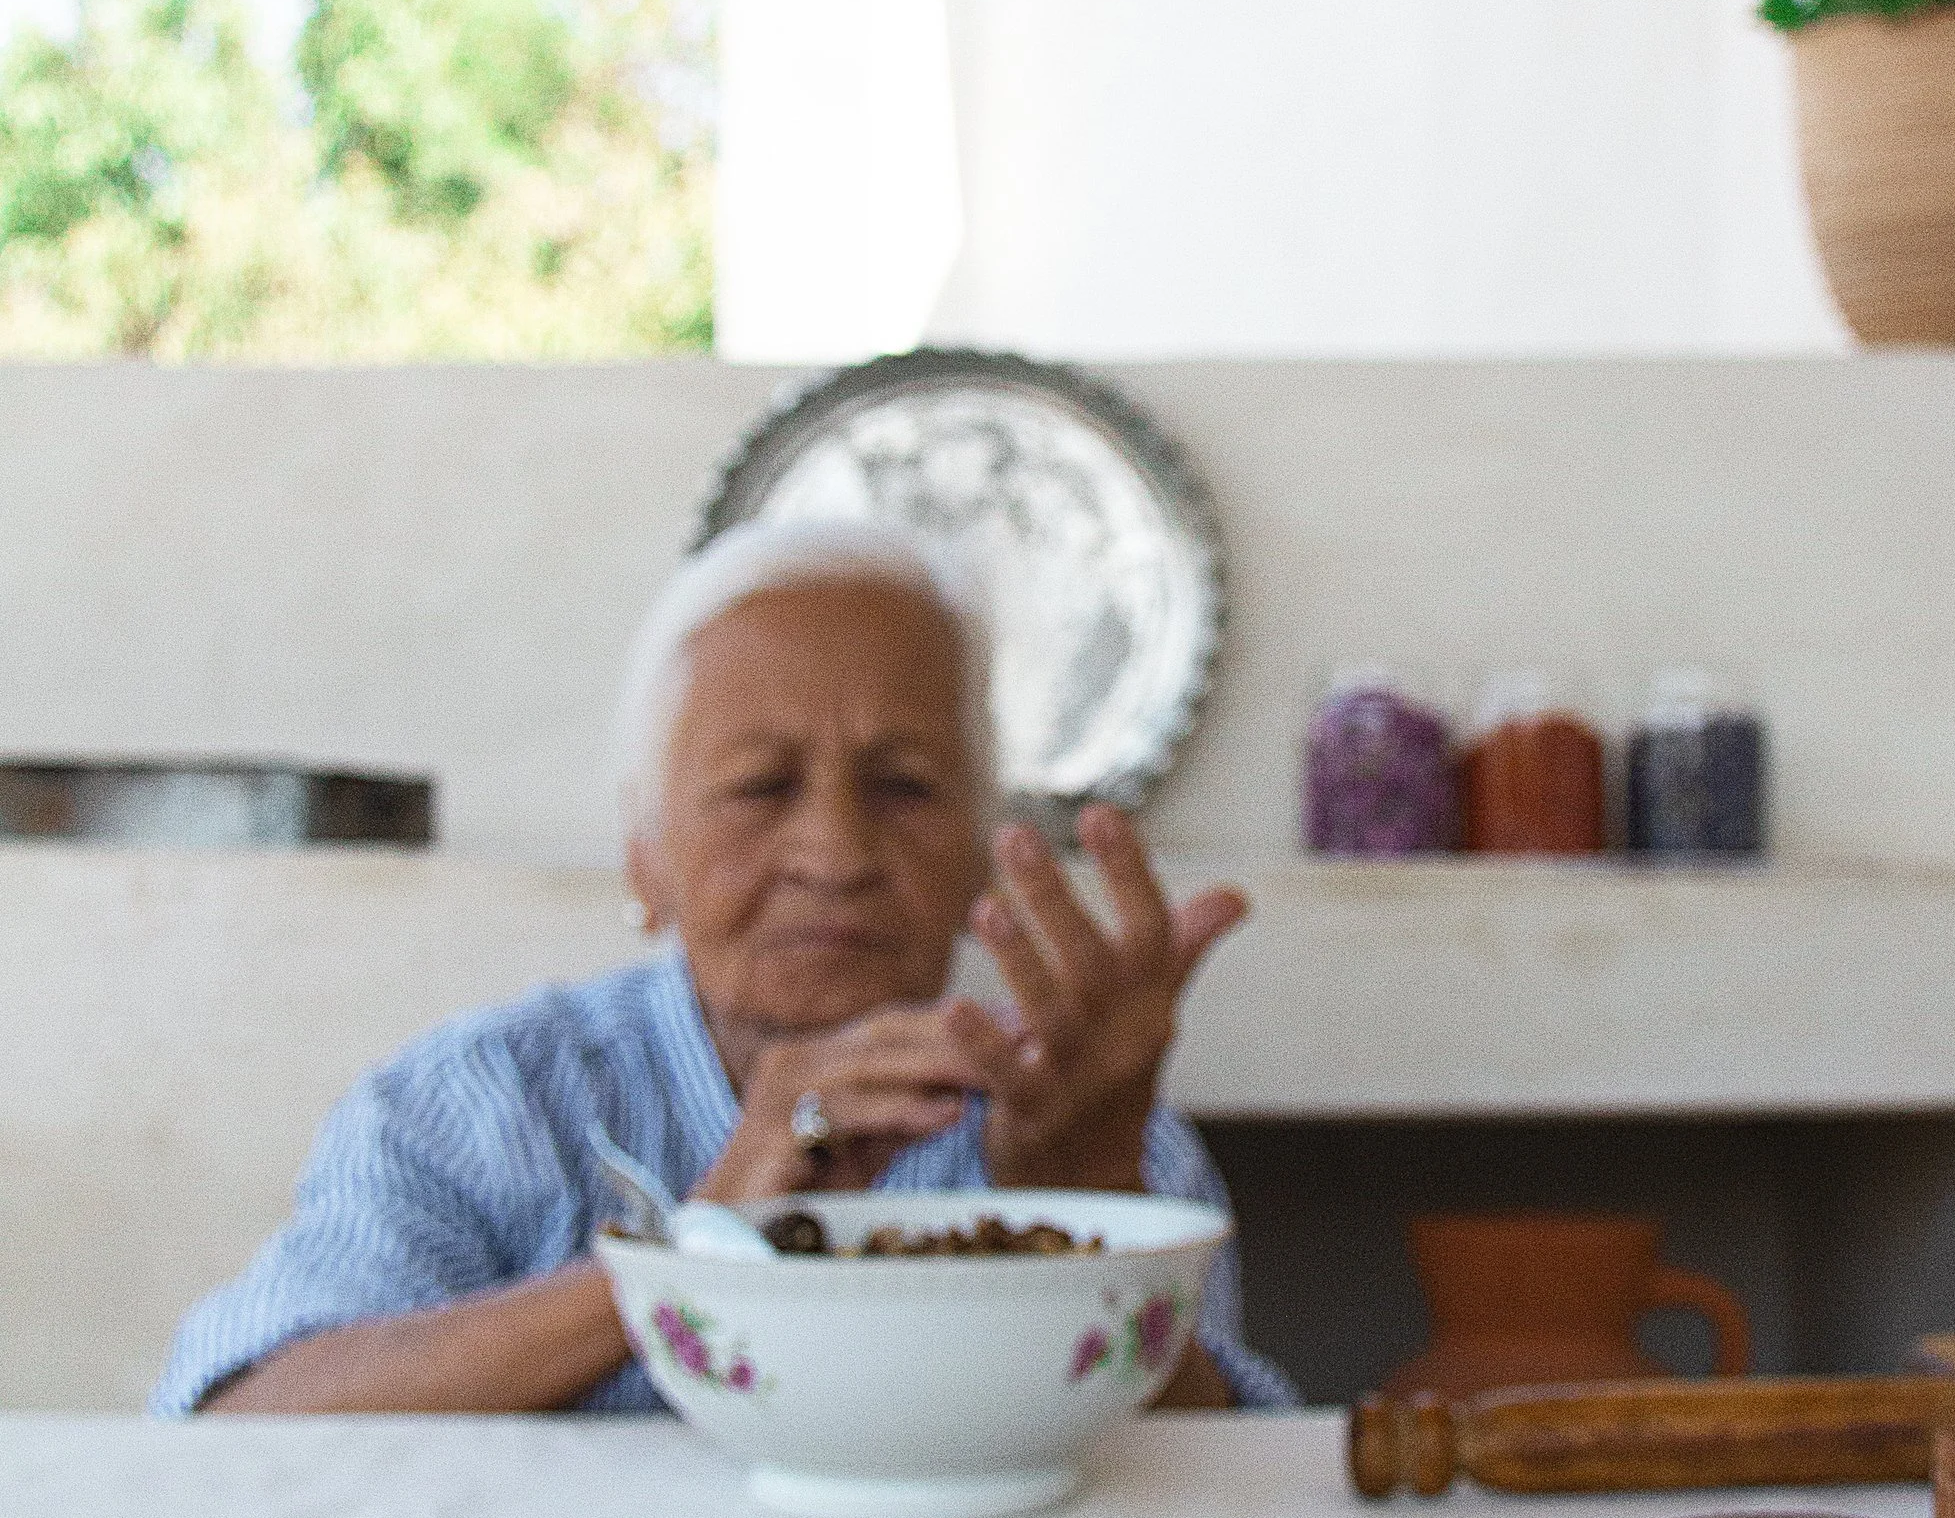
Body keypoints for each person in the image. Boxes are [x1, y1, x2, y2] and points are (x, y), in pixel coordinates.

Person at [150, 519, 1296, 1416]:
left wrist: (1089, 1212)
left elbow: (1218, 1483)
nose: (836, 855)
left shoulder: (1094, 1122)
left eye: (905, 786)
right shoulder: (482, 1105)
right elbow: (248, 1415)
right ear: (645, 858)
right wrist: (697, 1255)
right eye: (760, 786)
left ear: (977, 860)